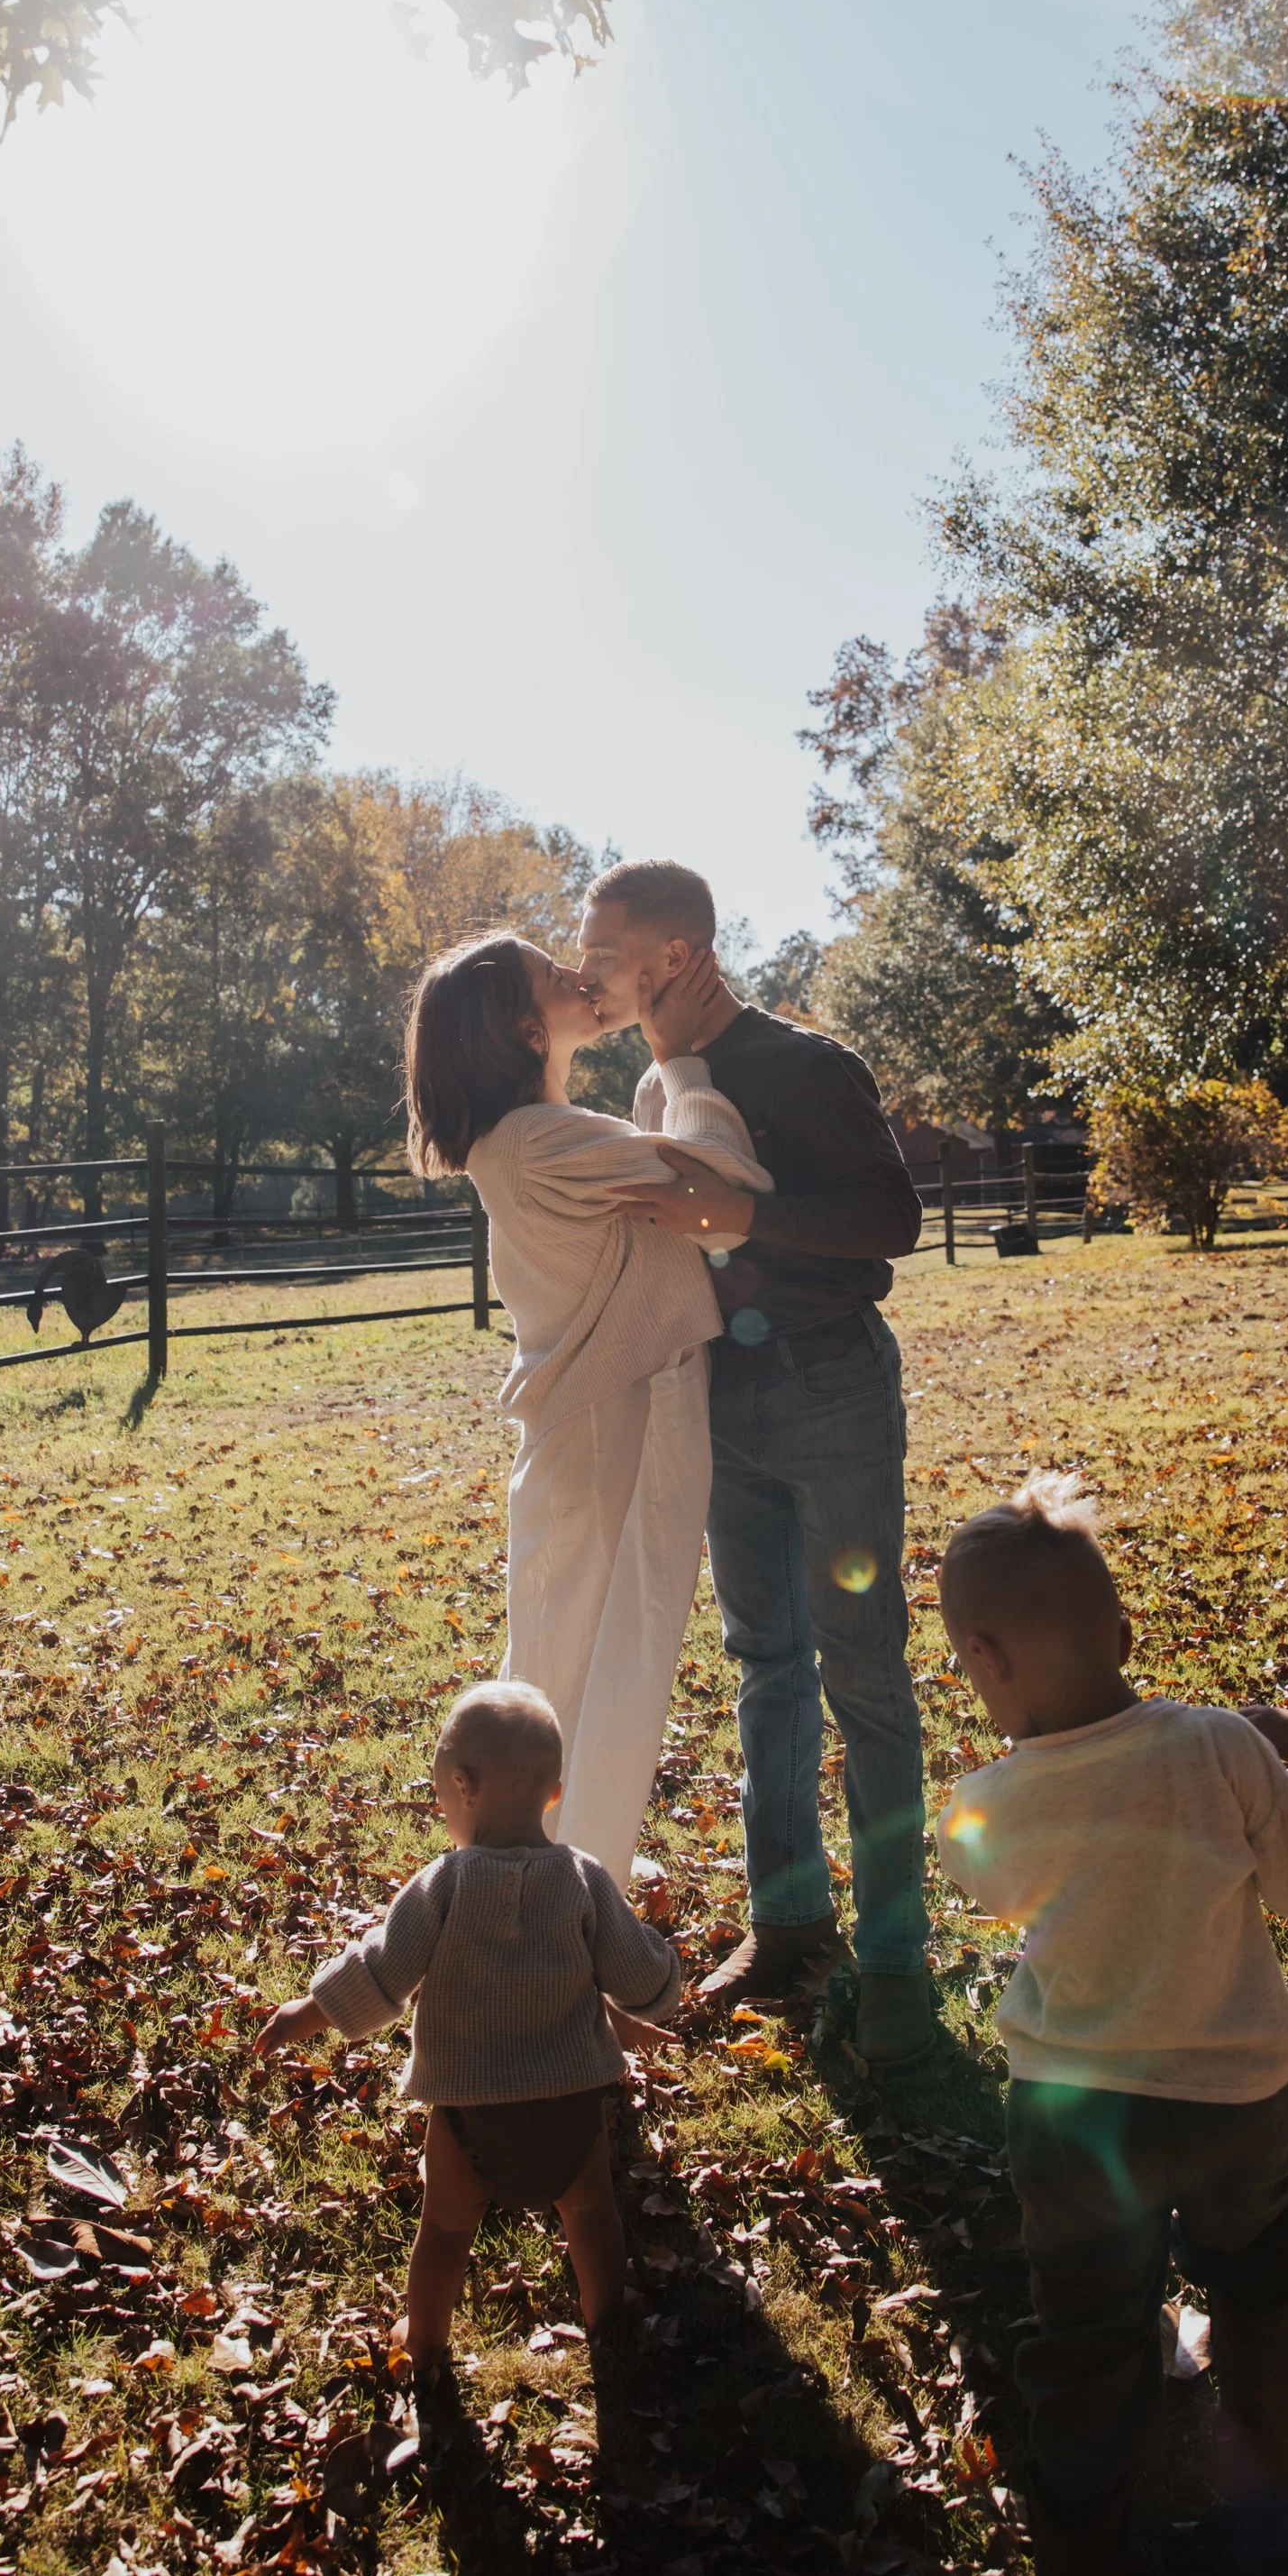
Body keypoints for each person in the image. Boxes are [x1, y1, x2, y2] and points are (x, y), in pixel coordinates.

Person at [934, 1471, 1288, 2576]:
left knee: (1084, 2324)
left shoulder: (984, 1806)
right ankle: (1264, 2464)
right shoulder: (1224, 1747)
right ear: (1126, 1636)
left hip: (1074, 2110)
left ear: (984, 1659)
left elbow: (998, 1891)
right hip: (1237, 2094)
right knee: (1257, 2257)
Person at [573, 859, 932, 2064]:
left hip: (832, 1386)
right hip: (722, 1401)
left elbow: (894, 1220)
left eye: (604, 942)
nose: (587, 963)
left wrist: (744, 1218)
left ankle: (890, 1953)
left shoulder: (811, 1065)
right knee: (765, 1662)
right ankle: (787, 1925)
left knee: (865, 1670)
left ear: (673, 953)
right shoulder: (653, 1084)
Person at [403, 930, 772, 1885]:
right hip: (615, 1420)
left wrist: (662, 1085)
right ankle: (546, 1885)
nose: (580, 976)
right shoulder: (540, 1143)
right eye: (554, 974)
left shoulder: (541, 1136)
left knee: (578, 1652)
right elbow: (731, 1182)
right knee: (596, 1664)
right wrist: (680, 1059)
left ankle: (548, 1871)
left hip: (610, 1416)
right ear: (531, 1026)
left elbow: (672, 1169)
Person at [254, 1681, 681, 2367]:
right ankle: (607, 2319)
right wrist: (666, 1982)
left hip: (467, 2115)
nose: (443, 1809)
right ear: (553, 1794)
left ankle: (424, 2341)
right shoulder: (584, 1878)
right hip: (571, 2107)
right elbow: (636, 1974)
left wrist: (308, 2011)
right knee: (592, 2215)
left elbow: (382, 1969)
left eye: (442, 1797)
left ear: (463, 1785)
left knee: (447, 2228)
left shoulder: (443, 1884)